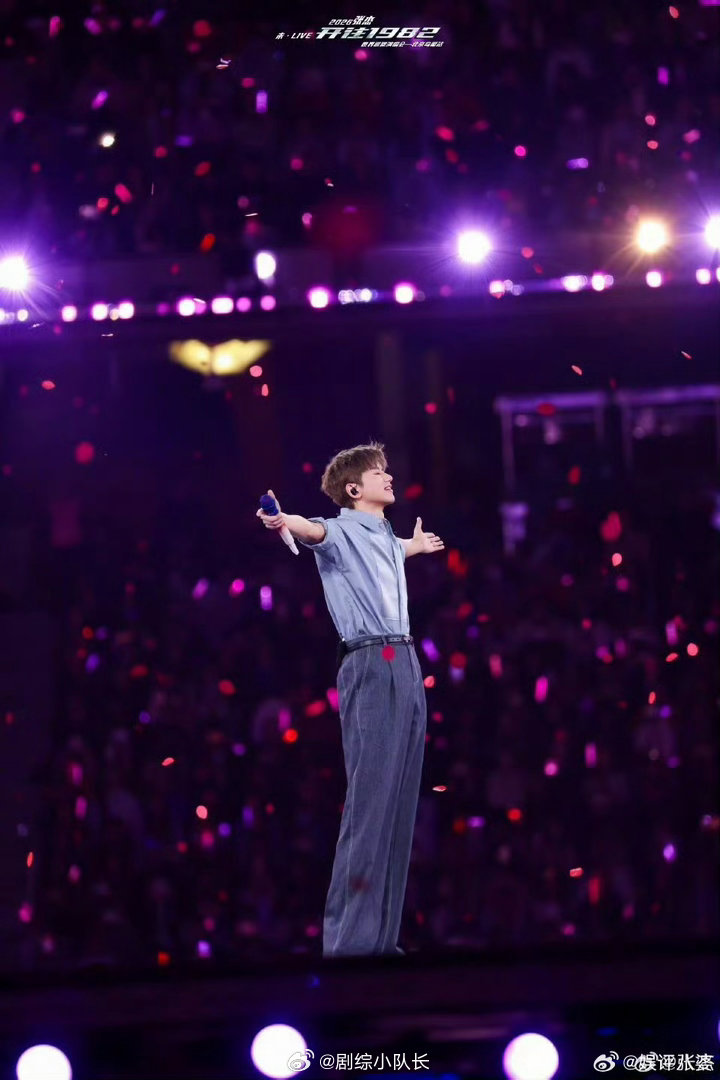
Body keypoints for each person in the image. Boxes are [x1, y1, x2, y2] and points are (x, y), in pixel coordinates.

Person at [256, 441, 445, 957]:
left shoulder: (383, 537)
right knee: (370, 804)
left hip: (406, 661)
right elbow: (310, 529)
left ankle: (381, 943)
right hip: (371, 661)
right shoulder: (338, 531)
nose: (389, 476)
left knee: (399, 805)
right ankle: (349, 947)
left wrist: (414, 547)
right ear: (354, 489)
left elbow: (388, 553)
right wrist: (281, 520)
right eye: (378, 472)